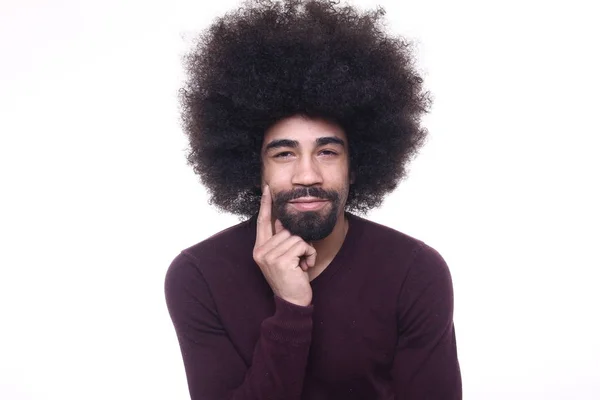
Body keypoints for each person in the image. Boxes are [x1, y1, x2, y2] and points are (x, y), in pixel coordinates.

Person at [164, 0, 462, 398]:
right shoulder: (198, 276)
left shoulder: (414, 271)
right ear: (255, 167)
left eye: (327, 152)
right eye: (284, 154)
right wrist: (291, 308)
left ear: (355, 166)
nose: (307, 175)